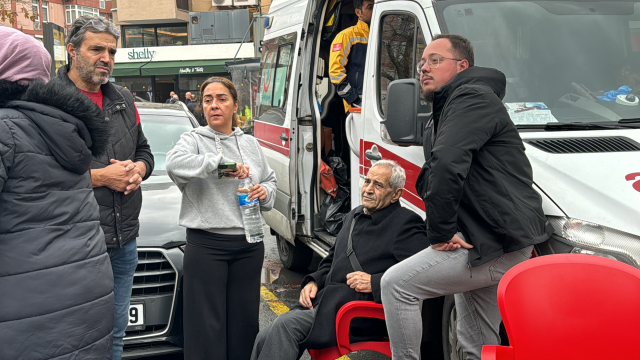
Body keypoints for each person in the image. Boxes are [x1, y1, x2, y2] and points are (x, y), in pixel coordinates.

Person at [380, 34, 554, 360]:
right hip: (485, 239)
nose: (424, 68)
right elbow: (441, 170)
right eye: (422, 61)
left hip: (496, 242)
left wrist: (441, 231)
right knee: (475, 342)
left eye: (435, 60)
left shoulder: (471, 97)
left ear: (462, 66)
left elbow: (446, 164)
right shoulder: (447, 107)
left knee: (397, 285)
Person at [0, 26, 114, 359]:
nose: (106, 59)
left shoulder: (5, 128)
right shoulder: (64, 126)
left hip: (24, 310)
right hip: (83, 297)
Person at [50, 16, 155, 360]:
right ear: (71, 51)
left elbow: (144, 152)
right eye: (96, 48)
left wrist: (138, 169)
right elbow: (36, 176)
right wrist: (101, 178)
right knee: (73, 337)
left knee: (116, 332)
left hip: (123, 240)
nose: (106, 57)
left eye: (111, 50)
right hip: (72, 242)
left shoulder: (123, 98)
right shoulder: (47, 101)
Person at [251, 160, 430, 360]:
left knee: (285, 327)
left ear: (396, 194)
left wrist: (375, 282)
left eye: (378, 185)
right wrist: (314, 281)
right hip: (328, 304)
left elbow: (424, 274)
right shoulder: (354, 215)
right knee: (264, 336)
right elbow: (332, 259)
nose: (368, 189)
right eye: (367, 182)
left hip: (358, 313)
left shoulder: (405, 224)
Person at [166, 77, 277, 360]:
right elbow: (174, 164)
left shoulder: (250, 143)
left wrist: (264, 192)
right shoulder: (192, 139)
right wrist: (221, 166)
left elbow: (270, 181)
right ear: (201, 106)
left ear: (235, 105)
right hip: (207, 247)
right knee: (206, 330)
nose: (214, 105)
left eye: (222, 99)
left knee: (244, 326)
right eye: (208, 100)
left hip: (249, 244)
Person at [329, 0, 374, 112]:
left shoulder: (380, 36)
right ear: (358, 12)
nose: (375, 10)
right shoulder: (346, 36)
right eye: (370, 7)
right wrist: (355, 100)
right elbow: (335, 73)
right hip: (357, 108)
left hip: (378, 105)